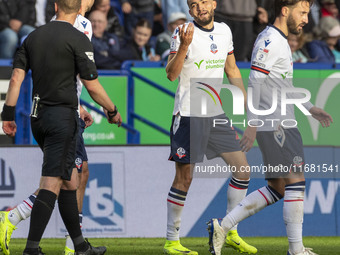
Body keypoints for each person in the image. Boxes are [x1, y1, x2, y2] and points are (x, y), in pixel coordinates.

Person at [208, 1, 333, 255]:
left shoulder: (278, 40)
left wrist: (310, 108)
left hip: (277, 121)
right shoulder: (270, 40)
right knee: (296, 183)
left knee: (278, 187)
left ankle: (223, 225)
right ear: (285, 10)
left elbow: (284, 86)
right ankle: (296, 250)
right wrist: (252, 123)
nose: (306, 19)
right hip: (277, 124)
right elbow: (255, 83)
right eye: (303, 12)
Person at [0, 0, 122, 254]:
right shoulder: (78, 38)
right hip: (62, 119)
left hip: (38, 118)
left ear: (55, 7)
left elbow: (16, 77)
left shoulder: (33, 36)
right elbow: (92, 85)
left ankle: (79, 246)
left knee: (70, 179)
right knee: (52, 181)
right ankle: (31, 247)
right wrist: (111, 110)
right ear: (79, 10)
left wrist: (7, 114)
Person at [163, 0, 257, 254]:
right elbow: (171, 74)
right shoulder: (182, 32)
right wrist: (184, 46)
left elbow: (231, 68)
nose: (200, 8)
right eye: (193, 4)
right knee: (185, 178)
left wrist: (246, 109)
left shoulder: (225, 31)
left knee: (242, 171)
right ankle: (172, 241)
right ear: (189, 9)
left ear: (214, 3)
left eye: (204, 2)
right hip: (189, 114)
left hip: (215, 114)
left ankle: (229, 230)